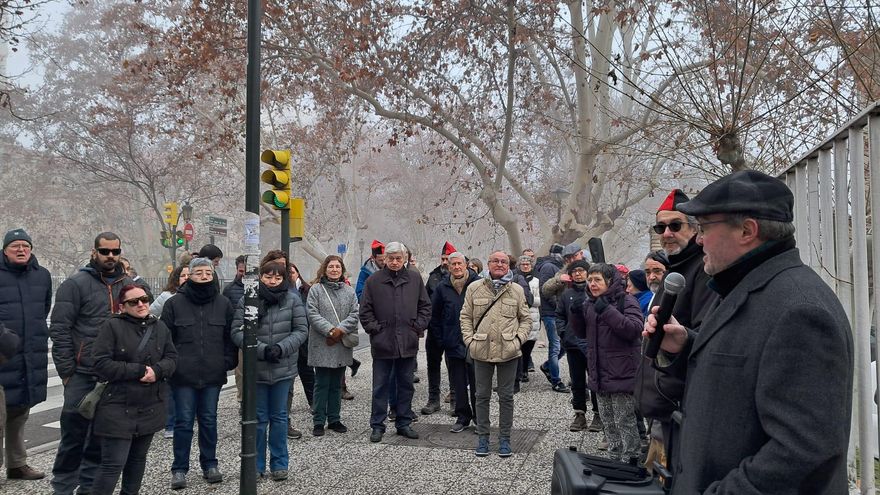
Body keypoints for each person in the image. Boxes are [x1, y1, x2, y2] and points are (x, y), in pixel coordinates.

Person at [643, 170, 853, 493]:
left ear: (747, 230)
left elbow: (803, 452)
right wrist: (685, 345)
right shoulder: (744, 286)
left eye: (705, 228)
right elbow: (748, 365)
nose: (698, 240)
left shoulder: (801, 311)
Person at [636, 189, 719, 466]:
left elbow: (706, 339)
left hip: (682, 406)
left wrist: (680, 341)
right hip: (664, 406)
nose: (667, 233)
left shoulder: (704, 269)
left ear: (696, 229)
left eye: (675, 225)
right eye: (661, 227)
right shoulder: (675, 269)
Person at [50, 232, 134, 495]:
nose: (110, 256)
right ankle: (63, 487)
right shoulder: (75, 284)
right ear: (94, 252)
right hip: (82, 373)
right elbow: (60, 328)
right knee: (73, 436)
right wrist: (66, 372)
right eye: (105, 251)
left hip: (114, 375)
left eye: (115, 251)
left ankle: (88, 488)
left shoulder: (128, 285)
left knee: (102, 437)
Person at [90, 284, 178, 495]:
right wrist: (138, 371)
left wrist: (157, 371)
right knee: (113, 463)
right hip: (118, 404)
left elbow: (172, 357)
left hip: (150, 404)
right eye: (133, 301)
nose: (141, 304)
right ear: (122, 306)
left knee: (138, 460)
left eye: (144, 299)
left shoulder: (159, 327)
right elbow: (100, 363)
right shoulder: (112, 327)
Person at [160, 257, 237, 490]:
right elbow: (165, 339)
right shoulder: (174, 304)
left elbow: (229, 338)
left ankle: (210, 464)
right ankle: (179, 469)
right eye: (199, 272)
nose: (204, 276)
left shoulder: (223, 303)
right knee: (183, 422)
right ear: (189, 275)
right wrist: (172, 366)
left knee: (208, 420)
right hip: (183, 375)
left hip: (212, 374)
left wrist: (226, 361)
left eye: (208, 272)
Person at [231, 260, 307, 481]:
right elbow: (236, 331)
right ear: (260, 277)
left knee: (280, 417)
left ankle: (279, 463)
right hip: (257, 368)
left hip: (283, 367)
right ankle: (256, 464)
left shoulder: (292, 299)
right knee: (258, 418)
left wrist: (281, 348)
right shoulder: (249, 298)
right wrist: (262, 350)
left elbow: (301, 330)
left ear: (284, 279)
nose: (273, 281)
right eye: (268, 277)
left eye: (278, 277)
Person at [460, 250, 531, 457]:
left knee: (506, 396)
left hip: (509, 351)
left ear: (509, 265)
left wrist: (518, 340)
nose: (500, 264)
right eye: (495, 261)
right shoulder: (474, 288)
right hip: (480, 350)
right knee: (481, 396)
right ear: (488, 264)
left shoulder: (516, 290)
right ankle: (483, 438)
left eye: (504, 261)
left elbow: (525, 319)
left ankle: (505, 440)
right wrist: (470, 341)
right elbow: (465, 317)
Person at [360, 242, 431, 443]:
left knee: (406, 384)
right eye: (390, 258)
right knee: (380, 386)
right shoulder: (374, 281)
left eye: (398, 258)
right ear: (385, 259)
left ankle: (404, 422)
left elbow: (425, 306)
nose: (394, 262)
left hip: (407, 341)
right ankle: (377, 425)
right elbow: (365, 311)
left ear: (404, 258)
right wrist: (376, 329)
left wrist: (417, 327)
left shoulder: (414, 278)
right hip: (383, 342)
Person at [0, 229, 51, 481]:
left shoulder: (42, 276)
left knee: (20, 411)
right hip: (2, 354)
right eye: (15, 246)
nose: (21, 250)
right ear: (5, 250)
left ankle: (17, 463)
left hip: (29, 352)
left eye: (25, 246)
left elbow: (43, 309)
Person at [581, 263, 643, 462]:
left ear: (609, 281)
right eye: (590, 280)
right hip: (599, 371)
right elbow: (583, 333)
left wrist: (607, 310)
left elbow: (634, 330)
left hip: (622, 371)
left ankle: (631, 459)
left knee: (624, 420)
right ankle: (614, 457)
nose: (592, 284)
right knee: (607, 421)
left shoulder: (627, 300)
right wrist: (575, 314)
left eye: (597, 280)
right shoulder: (590, 303)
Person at [305, 255, 358, 437]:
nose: (334, 270)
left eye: (337, 267)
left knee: (337, 384)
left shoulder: (349, 291)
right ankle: (318, 421)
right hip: (322, 343)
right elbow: (312, 314)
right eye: (331, 267)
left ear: (342, 270)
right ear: (324, 269)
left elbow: (354, 314)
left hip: (341, 343)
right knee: (321, 384)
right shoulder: (316, 290)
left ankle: (334, 418)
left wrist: (339, 331)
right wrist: (330, 331)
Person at [427, 252, 479, 432]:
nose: (457, 267)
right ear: (448, 267)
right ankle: (462, 416)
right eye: (453, 264)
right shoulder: (442, 287)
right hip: (452, 342)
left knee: (477, 382)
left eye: (460, 264)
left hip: (474, 342)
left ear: (466, 265)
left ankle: (479, 418)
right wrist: (443, 339)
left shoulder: (478, 283)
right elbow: (435, 317)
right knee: (458, 382)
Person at [554, 259, 596, 433]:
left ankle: (598, 414)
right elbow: (559, 316)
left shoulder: (594, 292)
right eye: (574, 271)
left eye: (581, 270)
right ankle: (579, 414)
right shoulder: (566, 294)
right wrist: (563, 333)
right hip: (572, 345)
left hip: (593, 345)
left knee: (594, 381)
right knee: (577, 381)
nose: (578, 274)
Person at [148, 264, 190, 439]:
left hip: (189, 349)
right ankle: (170, 424)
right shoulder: (167, 296)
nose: (186, 278)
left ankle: (185, 420)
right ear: (176, 278)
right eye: (183, 275)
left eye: (189, 275)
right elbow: (150, 313)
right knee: (171, 389)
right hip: (171, 347)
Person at [538, 242, 581, 393]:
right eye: (568, 258)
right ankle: (556, 381)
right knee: (557, 347)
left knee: (570, 348)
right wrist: (559, 281)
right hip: (559, 316)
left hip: (582, 318)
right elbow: (545, 290)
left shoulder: (591, 270)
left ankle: (550, 367)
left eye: (574, 256)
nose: (572, 260)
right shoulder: (557, 270)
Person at [422, 241, 456, 415]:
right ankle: (433, 400)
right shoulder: (433, 276)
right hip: (434, 329)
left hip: (452, 330)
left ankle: (455, 399)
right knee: (433, 366)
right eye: (443, 258)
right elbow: (425, 300)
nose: (444, 262)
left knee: (454, 366)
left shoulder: (460, 276)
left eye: (448, 259)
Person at [515, 255, 540, 380]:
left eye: (528, 264)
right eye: (523, 264)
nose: (525, 266)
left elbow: (539, 300)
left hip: (532, 315)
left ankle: (524, 369)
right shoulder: (514, 279)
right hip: (517, 316)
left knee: (528, 346)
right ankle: (518, 371)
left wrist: (527, 298)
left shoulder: (536, 281)